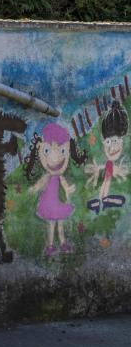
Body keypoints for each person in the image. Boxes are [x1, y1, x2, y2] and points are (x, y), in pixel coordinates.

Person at [23, 122, 87, 257]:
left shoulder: (60, 177)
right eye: (48, 151)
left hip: (59, 204)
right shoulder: (47, 176)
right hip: (50, 205)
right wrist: (34, 188)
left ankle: (63, 243)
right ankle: (50, 246)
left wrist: (69, 189)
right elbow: (41, 183)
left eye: (62, 151)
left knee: (60, 225)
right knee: (52, 226)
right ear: (41, 150)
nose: (56, 158)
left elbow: (65, 186)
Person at [86, 100, 128, 214]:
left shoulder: (112, 162)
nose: (112, 148)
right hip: (108, 170)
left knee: (106, 184)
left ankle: (102, 200)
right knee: (105, 184)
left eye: (115, 141)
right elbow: (102, 167)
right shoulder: (108, 162)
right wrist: (96, 169)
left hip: (109, 171)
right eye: (108, 142)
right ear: (104, 142)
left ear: (122, 140)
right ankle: (102, 200)